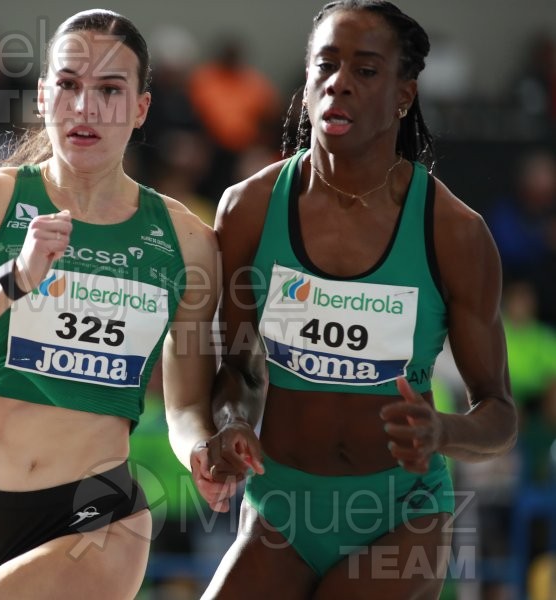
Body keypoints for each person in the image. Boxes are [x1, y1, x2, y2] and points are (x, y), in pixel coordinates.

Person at [0, 9, 219, 599]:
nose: (86, 107)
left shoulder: (186, 241)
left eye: (110, 90)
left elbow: (186, 402)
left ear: (140, 109)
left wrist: (199, 449)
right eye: (69, 85)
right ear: (43, 96)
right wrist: (11, 282)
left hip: (94, 515)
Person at [187, 2, 518, 598]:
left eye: (366, 70)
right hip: (282, 508)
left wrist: (441, 431)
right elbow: (237, 368)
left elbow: (499, 416)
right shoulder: (248, 210)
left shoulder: (454, 232)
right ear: (309, 82)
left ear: (403, 95)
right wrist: (232, 422)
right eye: (326, 65)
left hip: (400, 513)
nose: (340, 81)